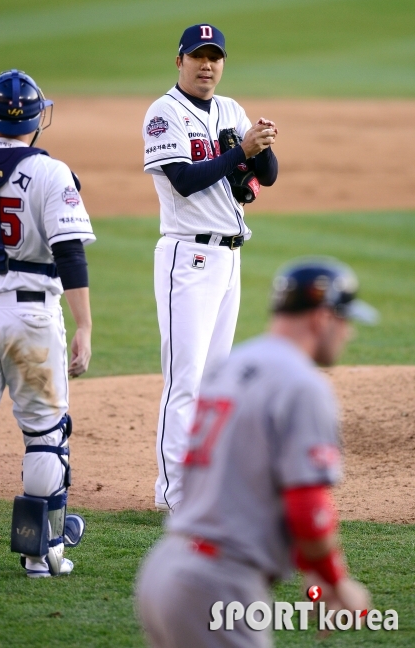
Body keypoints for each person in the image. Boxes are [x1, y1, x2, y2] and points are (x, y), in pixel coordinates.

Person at [136, 256, 379, 647]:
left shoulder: (232, 366)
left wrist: (308, 568)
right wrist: (335, 579)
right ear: (321, 318)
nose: (348, 332)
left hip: (166, 566)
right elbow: (307, 504)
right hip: (217, 582)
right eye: (344, 319)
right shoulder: (302, 384)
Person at [0, 69, 95, 582]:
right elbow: (70, 254)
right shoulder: (52, 174)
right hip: (32, 319)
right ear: (37, 119)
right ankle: (41, 553)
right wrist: (85, 327)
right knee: (45, 435)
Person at [142, 23, 279, 513]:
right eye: (197, 56)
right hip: (188, 258)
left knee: (215, 379)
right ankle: (174, 494)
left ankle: (207, 483)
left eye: (214, 57)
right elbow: (183, 180)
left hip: (228, 257)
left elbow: (267, 176)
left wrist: (261, 145)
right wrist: (238, 151)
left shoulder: (231, 109)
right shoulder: (164, 113)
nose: (207, 65)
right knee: (186, 380)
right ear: (178, 61)